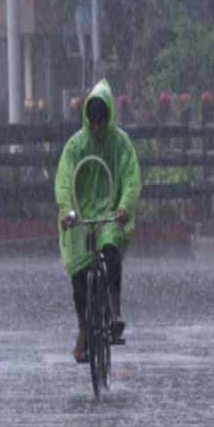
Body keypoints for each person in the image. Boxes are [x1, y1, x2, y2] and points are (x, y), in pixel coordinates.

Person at [55, 79, 142, 363]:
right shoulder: (76, 145)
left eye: (101, 122)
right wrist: (67, 209)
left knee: (111, 250)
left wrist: (125, 206)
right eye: (92, 122)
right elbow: (65, 180)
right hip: (80, 214)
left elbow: (130, 177)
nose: (96, 128)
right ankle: (83, 329)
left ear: (109, 119)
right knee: (79, 278)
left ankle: (115, 311)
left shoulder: (120, 144)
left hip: (110, 213)